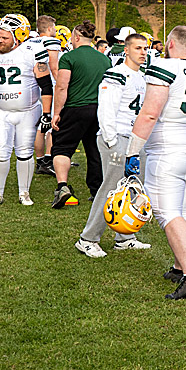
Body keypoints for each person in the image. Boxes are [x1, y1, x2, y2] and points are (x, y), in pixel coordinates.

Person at [124, 25, 186, 300]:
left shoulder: (164, 67)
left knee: (166, 211)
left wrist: (132, 151)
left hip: (168, 150)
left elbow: (150, 114)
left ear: (170, 44)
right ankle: (181, 265)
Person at [75, 32, 152, 257]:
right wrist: (112, 140)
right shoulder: (116, 74)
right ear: (126, 49)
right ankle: (88, 238)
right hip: (118, 136)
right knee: (111, 189)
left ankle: (124, 236)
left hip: (135, 139)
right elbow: (106, 109)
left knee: (134, 188)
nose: (143, 52)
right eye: (138, 48)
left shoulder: (142, 76)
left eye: (145, 48)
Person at [0, 14, 54, 207]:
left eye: (4, 37)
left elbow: (46, 85)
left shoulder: (33, 50)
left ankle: (24, 192)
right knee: (0, 152)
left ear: (19, 37)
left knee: (24, 152)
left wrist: (47, 113)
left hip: (28, 110)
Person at [50, 20, 112, 209]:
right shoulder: (104, 58)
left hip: (75, 108)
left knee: (62, 147)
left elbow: (62, 86)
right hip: (98, 108)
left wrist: (56, 112)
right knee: (95, 150)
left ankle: (62, 187)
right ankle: (97, 191)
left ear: (76, 37)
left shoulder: (69, 57)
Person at [34, 15, 62, 176]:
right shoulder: (51, 42)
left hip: (34, 85)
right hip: (48, 86)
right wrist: (61, 84)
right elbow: (54, 66)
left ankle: (40, 160)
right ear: (50, 28)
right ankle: (47, 159)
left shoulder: (31, 41)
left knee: (40, 125)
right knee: (50, 123)